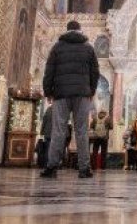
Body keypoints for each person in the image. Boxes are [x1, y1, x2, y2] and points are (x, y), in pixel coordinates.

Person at [42, 20, 100, 179]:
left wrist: (48, 92)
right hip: (82, 94)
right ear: (80, 30)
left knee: (58, 130)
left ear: (66, 30)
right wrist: (91, 90)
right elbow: (95, 72)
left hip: (61, 93)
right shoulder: (88, 48)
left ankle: (51, 167)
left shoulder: (57, 47)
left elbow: (49, 71)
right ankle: (84, 168)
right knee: (81, 131)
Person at [37, 102, 53, 170]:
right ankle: (49, 165)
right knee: (51, 150)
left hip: (47, 133)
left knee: (47, 149)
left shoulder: (48, 109)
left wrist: (41, 132)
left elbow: (44, 121)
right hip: (56, 134)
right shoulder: (59, 111)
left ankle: (45, 164)